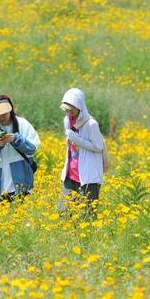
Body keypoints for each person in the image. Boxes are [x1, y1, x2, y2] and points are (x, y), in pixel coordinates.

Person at [0, 95, 40, 201]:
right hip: (0, 180)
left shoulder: (22, 124)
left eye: (3, 114)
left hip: (21, 177)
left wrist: (16, 139)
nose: (0, 117)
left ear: (10, 110)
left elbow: (32, 148)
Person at [58, 88, 105, 217]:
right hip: (71, 172)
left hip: (88, 174)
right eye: (66, 110)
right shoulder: (67, 120)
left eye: (71, 110)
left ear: (79, 107)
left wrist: (78, 140)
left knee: (88, 215)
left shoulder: (91, 124)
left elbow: (98, 147)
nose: (69, 113)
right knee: (64, 212)